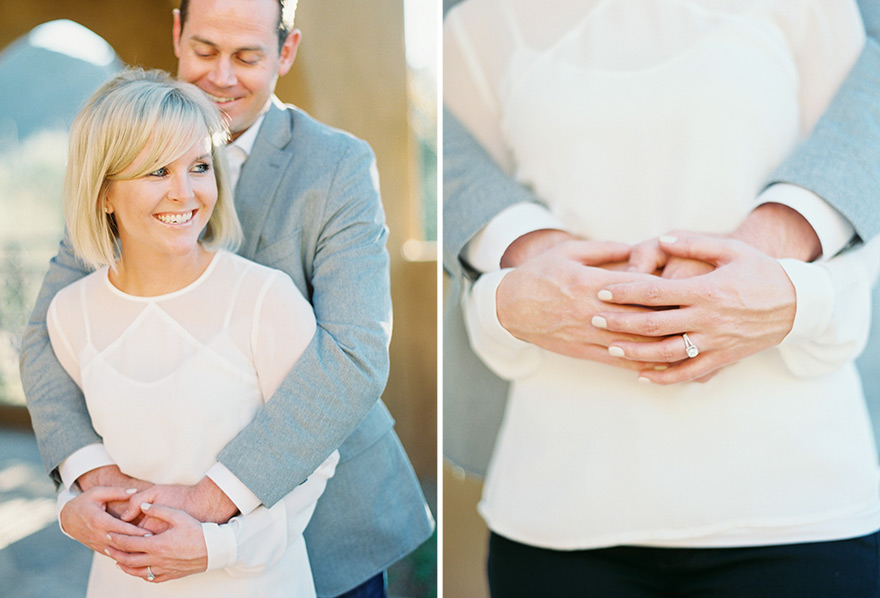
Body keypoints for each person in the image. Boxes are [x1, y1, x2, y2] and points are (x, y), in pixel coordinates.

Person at [444, 0, 880, 595]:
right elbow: (477, 264)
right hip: (563, 512)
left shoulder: (812, 9)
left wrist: (787, 294)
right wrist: (507, 300)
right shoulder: (478, 26)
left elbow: (858, 240)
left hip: (798, 510)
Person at [20, 1, 433, 596]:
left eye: (246, 57)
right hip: (152, 522)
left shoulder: (338, 165)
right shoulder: (123, 157)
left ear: (284, 54)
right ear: (177, 36)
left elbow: (355, 352)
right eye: (205, 51)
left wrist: (212, 501)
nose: (220, 77)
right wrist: (94, 478)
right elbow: (47, 335)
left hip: (327, 513)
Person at [48, 67, 338, 596]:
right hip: (123, 582)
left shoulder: (265, 301)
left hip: (251, 583)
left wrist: (217, 546)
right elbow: (84, 453)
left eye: (199, 166)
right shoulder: (69, 315)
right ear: (104, 193)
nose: (185, 193)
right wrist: (70, 510)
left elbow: (313, 465)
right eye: (157, 171)